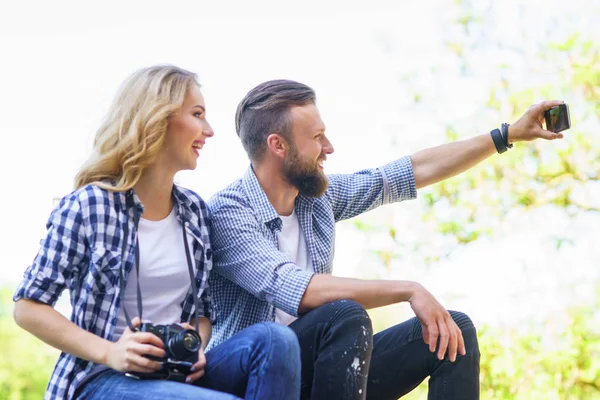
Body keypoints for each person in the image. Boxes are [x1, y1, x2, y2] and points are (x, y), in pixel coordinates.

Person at [207, 79, 565, 399]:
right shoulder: (228, 212)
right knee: (342, 314)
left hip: (318, 372)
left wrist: (506, 135)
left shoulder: (316, 200)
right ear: (278, 146)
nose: (329, 147)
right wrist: (409, 289)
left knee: (451, 334)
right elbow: (297, 290)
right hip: (254, 377)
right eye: (317, 138)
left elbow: (405, 173)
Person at [12, 67, 301, 400]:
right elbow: (28, 307)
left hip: (176, 376)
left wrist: (195, 344)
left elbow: (203, 313)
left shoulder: (194, 211)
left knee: (275, 339)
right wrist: (111, 352)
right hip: (103, 379)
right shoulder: (89, 205)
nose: (209, 130)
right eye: (197, 114)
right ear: (157, 119)